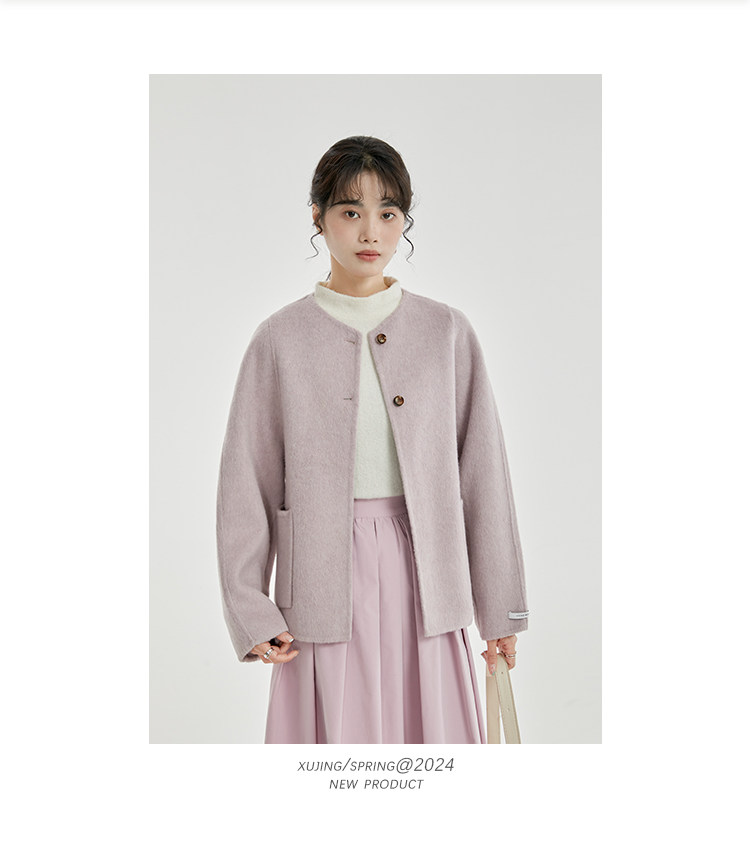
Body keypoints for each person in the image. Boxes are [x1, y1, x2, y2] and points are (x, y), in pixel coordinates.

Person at [216, 135, 529, 744]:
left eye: (388, 213)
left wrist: (500, 608)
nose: (371, 232)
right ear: (318, 217)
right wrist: (251, 608)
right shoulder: (278, 339)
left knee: (430, 744)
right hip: (319, 580)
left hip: (429, 573)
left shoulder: (446, 332)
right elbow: (245, 481)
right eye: (350, 211)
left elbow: (484, 474)